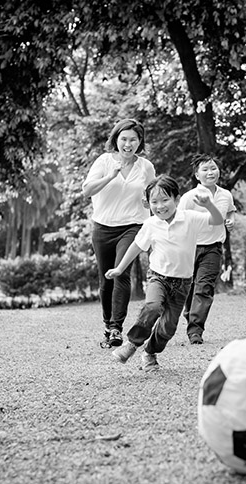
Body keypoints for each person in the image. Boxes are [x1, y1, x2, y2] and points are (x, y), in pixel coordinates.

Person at [106, 175, 224, 370]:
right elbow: (137, 246)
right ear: (148, 204)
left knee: (168, 327)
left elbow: (217, 220)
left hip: (183, 282)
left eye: (165, 200)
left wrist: (209, 205)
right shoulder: (151, 224)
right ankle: (132, 344)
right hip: (158, 277)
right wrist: (120, 268)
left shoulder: (190, 218)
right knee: (152, 307)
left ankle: (150, 353)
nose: (160, 206)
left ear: (177, 199)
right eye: (154, 202)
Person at [82, 118, 156, 348]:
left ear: (139, 142)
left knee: (121, 272)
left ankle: (116, 327)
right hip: (103, 227)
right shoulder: (104, 161)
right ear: (116, 139)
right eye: (124, 138)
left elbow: (153, 199)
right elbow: (87, 191)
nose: (128, 144)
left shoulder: (145, 166)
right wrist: (110, 176)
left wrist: (149, 203)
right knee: (106, 278)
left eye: (133, 139)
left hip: (133, 226)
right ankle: (108, 326)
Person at [179, 154, 236, 345]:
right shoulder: (189, 198)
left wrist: (232, 220)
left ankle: (195, 329)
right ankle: (191, 313)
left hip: (213, 248)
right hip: (189, 247)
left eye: (213, 168)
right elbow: (177, 220)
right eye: (205, 169)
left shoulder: (225, 194)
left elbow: (229, 211)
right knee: (188, 287)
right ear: (197, 175)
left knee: (204, 288)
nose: (210, 172)